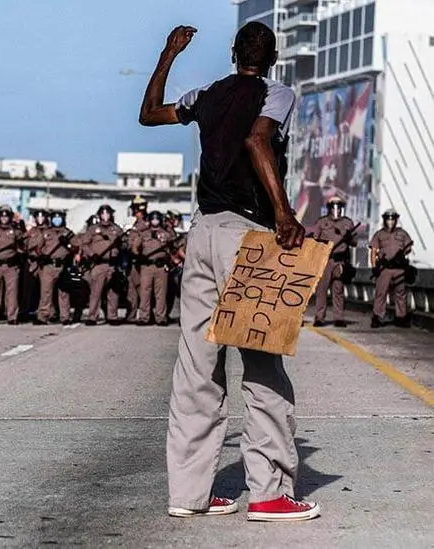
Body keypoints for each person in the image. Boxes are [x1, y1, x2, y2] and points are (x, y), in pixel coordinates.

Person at [140, 22, 318, 521]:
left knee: (197, 366)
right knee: (261, 364)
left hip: (202, 231)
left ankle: (189, 494)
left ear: (233, 53)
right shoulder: (275, 92)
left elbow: (149, 113)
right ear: (274, 57)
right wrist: (284, 213)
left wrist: (168, 53)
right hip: (248, 236)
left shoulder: (207, 94)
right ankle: (268, 493)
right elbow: (258, 141)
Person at [311, 196, 357, 327]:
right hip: (325, 260)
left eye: (338, 206)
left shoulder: (348, 223)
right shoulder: (321, 222)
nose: (336, 209)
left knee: (338, 289)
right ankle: (319, 317)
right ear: (329, 208)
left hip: (340, 260)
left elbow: (354, 243)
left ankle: (339, 318)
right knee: (322, 289)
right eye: (333, 206)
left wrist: (349, 238)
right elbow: (315, 241)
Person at [31, 210, 78, 325]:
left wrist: (67, 244)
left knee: (64, 293)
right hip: (48, 266)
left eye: (59, 218)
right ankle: (43, 316)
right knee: (46, 292)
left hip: (62, 265)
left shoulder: (68, 233)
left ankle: (65, 317)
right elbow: (37, 247)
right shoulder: (46, 232)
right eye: (54, 218)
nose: (57, 220)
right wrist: (41, 256)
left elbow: (76, 248)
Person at [80, 204, 124, 326]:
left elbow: (125, 245)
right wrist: (91, 254)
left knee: (113, 293)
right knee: (96, 292)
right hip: (98, 264)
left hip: (112, 264)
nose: (105, 216)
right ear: (99, 215)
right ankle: (92, 316)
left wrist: (122, 244)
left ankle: (112, 316)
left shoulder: (116, 229)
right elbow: (84, 244)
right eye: (103, 213)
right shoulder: (93, 229)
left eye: (107, 213)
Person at [130, 210, 174, 326]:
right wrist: (139, 256)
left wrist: (168, 260)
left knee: (161, 293)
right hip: (146, 266)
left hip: (160, 267)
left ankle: (161, 317)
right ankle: (144, 317)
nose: (155, 221)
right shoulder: (144, 234)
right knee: (145, 292)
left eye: (157, 219)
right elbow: (135, 247)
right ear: (149, 221)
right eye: (153, 219)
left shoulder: (166, 234)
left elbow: (172, 248)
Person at [370, 209, 413, 328]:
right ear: (384, 220)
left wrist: (402, 254)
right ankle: (377, 317)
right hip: (385, 269)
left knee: (401, 293)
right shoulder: (379, 234)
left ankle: (401, 318)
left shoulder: (402, 233)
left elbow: (408, 248)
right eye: (388, 219)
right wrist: (374, 267)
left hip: (399, 269)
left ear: (396, 220)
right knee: (381, 293)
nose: (390, 221)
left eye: (392, 219)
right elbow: (373, 251)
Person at [126, 196, 150, 323]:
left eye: (136, 209)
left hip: (142, 260)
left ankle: (146, 315)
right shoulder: (136, 224)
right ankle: (131, 314)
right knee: (132, 288)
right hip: (133, 261)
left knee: (143, 289)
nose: (135, 212)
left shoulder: (147, 223)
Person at [22, 209, 48, 321]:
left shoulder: (49, 231)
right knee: (28, 288)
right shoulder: (31, 231)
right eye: (38, 217)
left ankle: (44, 313)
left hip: (44, 263)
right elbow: (23, 243)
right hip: (32, 263)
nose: (40, 219)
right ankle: (26, 311)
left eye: (42, 217)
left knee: (45, 290)